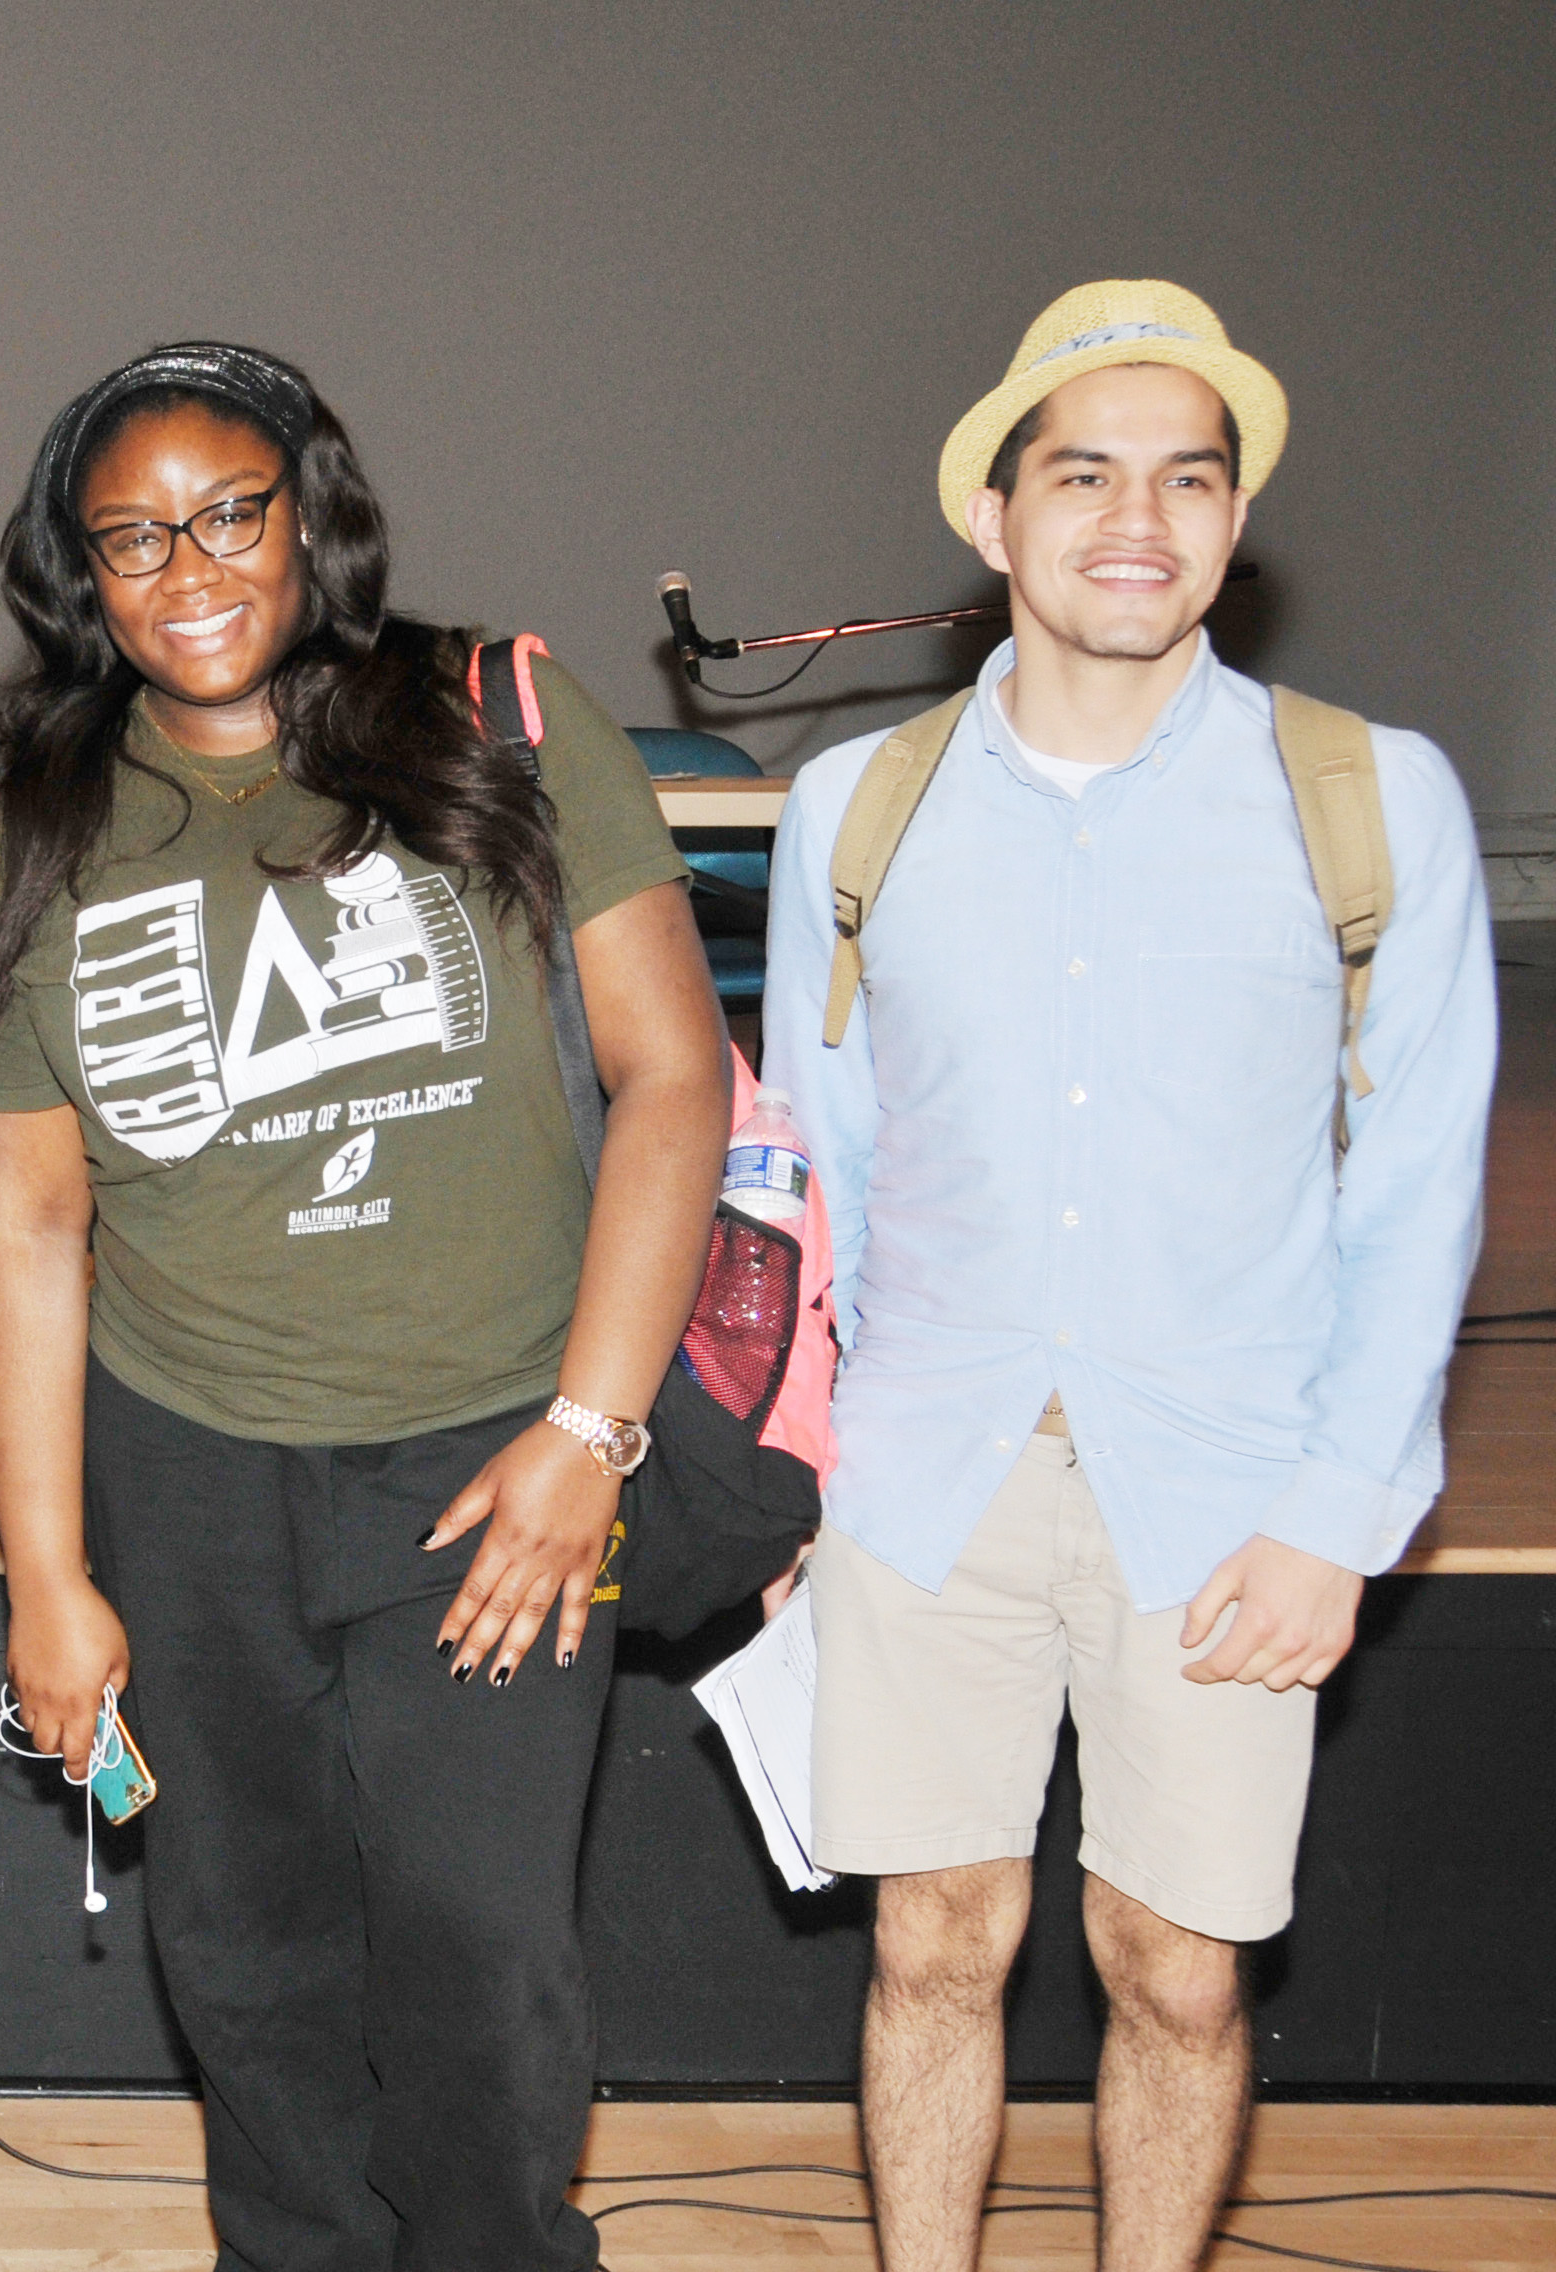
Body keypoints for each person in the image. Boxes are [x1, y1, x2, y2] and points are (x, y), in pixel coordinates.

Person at [0, 342, 729, 2270]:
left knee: (480, 1961)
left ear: (310, 511)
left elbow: (675, 1079)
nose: (188, 565)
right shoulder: (37, 821)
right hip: (191, 1470)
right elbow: (31, 1226)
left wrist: (588, 1432)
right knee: (246, 1960)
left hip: (494, 1453)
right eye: (131, 537)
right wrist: (48, 1577)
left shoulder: (501, 717)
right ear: (82, 576)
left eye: (230, 511)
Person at [765, 283, 1495, 2272]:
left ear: (1229, 523)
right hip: (925, 1474)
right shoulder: (855, 809)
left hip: (1229, 1484)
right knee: (930, 1940)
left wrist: (1338, 1514)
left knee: (1172, 1963)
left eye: (1186, 475)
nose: (1133, 517)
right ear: (991, 522)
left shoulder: (1369, 800)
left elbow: (1414, 1187)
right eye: (1078, 470)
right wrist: (787, 1479)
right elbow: (817, 1181)